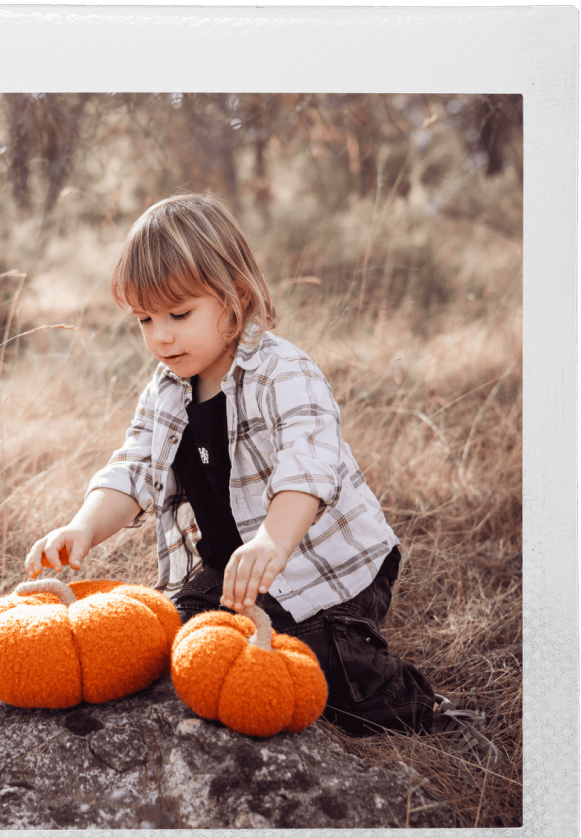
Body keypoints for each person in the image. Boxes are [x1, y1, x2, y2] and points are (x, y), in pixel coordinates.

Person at [25, 192, 499, 763]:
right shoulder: (166, 387)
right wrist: (83, 527)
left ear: (235, 299)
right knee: (178, 642)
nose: (161, 338)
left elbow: (309, 465)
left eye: (179, 315)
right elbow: (132, 470)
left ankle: (425, 712)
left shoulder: (284, 372)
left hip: (329, 570)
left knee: (306, 659)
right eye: (144, 320)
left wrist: (273, 539)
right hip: (236, 569)